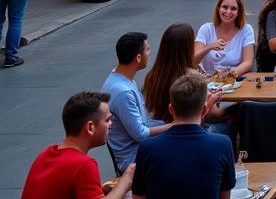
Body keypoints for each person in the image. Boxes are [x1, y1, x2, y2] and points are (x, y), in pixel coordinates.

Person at [132, 71, 235, 199]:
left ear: (171, 109)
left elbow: (138, 196)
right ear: (204, 110)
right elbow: (225, 196)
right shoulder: (222, 144)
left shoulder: (147, 148)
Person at [21, 91, 135, 199]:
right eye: (107, 120)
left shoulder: (45, 153)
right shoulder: (84, 165)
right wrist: (127, 179)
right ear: (90, 127)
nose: (111, 124)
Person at [100, 32, 171, 172]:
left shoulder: (121, 78)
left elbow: (143, 123)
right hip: (132, 158)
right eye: (147, 49)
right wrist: (174, 126)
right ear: (138, 57)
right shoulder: (123, 92)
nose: (150, 54)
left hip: (140, 148)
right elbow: (140, 133)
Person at [194, 0, 256, 77]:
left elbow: (248, 63)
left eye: (233, 9)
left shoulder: (246, 30)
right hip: (208, 83)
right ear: (218, 8)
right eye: (225, 7)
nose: (228, 12)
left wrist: (229, 74)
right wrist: (209, 47)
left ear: (239, 12)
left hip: (234, 81)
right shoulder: (206, 29)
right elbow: (194, 61)